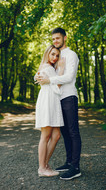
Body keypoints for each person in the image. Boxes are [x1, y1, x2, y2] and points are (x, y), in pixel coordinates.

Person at [36, 27, 82, 180]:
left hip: (68, 96)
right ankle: (69, 162)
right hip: (56, 99)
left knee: (73, 131)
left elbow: (69, 77)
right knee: (65, 133)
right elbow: (46, 72)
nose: (55, 41)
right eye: (53, 39)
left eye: (58, 38)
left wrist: (50, 80)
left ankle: (75, 167)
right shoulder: (57, 56)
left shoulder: (71, 55)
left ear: (65, 38)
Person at [34, 45, 65, 177]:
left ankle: (45, 165)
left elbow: (39, 78)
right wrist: (62, 69)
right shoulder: (47, 67)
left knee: (56, 135)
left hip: (52, 101)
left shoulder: (49, 68)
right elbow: (58, 84)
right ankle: (42, 168)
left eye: (57, 55)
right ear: (47, 53)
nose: (55, 57)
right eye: (52, 54)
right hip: (48, 101)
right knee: (45, 136)